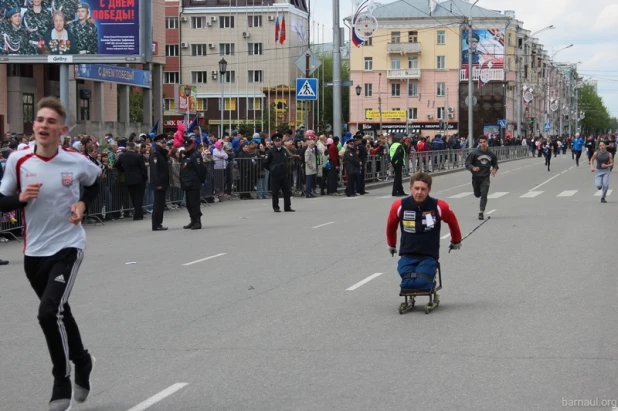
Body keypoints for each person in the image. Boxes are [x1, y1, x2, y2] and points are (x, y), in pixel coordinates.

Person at [0, 97, 101, 411]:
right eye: (40, 120)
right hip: (34, 252)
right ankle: (83, 361)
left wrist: (83, 204)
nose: (44, 125)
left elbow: (95, 183)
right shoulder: (18, 160)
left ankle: (62, 379)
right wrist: (20, 198)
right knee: (60, 311)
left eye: (51, 121)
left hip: (68, 246)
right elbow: (2, 202)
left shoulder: (76, 161)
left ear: (62, 129)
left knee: (48, 313)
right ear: (33, 126)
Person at [386, 173, 462, 291]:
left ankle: (429, 282)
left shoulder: (439, 206)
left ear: (429, 190)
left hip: (428, 255)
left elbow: (453, 222)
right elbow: (391, 226)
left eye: (423, 189)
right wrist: (391, 244)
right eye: (416, 188)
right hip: (407, 254)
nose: (419, 192)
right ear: (410, 188)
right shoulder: (399, 206)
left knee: (421, 283)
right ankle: (417, 284)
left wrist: (456, 241)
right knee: (407, 283)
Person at [465, 136, 498, 220]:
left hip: (485, 177)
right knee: (477, 194)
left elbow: (495, 164)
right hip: (476, 177)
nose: (483, 144)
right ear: (479, 143)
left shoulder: (491, 154)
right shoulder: (475, 153)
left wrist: (494, 169)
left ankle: (481, 212)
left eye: (484, 142)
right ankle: (477, 193)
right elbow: (467, 163)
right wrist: (473, 168)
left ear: (487, 142)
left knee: (484, 194)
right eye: (481, 142)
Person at [114, 141, 147, 220]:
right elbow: (143, 169)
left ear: (127, 147)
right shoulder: (139, 156)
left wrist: (124, 170)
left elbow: (116, 165)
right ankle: (138, 213)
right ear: (134, 148)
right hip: (139, 179)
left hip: (129, 179)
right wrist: (145, 178)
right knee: (139, 197)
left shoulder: (122, 156)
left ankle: (138, 213)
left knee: (133, 196)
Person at [263, 134, 294, 212]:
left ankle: (287, 207)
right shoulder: (270, 151)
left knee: (286, 191)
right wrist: (272, 169)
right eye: (276, 141)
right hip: (275, 174)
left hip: (283, 174)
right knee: (275, 191)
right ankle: (276, 207)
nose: (278, 142)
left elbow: (287, 159)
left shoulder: (284, 150)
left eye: (279, 140)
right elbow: (265, 162)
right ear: (273, 142)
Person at [180, 137, 206, 229]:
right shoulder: (187, 156)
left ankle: (197, 221)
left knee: (194, 203)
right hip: (187, 183)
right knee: (189, 204)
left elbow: (200, 170)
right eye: (185, 146)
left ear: (192, 145)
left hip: (194, 183)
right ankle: (192, 220)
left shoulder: (196, 155)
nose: (186, 147)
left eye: (188, 146)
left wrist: (201, 181)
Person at [149, 134, 170, 231]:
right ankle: (156, 224)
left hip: (163, 182)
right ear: (157, 142)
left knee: (161, 204)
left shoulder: (162, 153)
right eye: (162, 142)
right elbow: (154, 170)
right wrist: (158, 183)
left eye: (165, 142)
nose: (164, 144)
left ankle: (159, 223)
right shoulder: (155, 153)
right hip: (159, 183)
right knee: (157, 204)